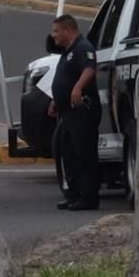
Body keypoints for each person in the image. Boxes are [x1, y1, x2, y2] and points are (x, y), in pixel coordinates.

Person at [48, 15, 102, 210]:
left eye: (56, 31)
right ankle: (74, 194)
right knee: (67, 153)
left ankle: (88, 198)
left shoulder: (83, 47)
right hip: (67, 112)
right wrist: (57, 99)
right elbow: (66, 77)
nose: (53, 36)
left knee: (84, 154)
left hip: (82, 111)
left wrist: (78, 88)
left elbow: (89, 70)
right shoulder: (67, 51)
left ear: (67, 30)